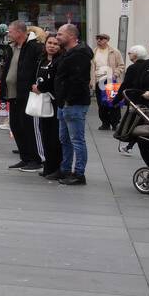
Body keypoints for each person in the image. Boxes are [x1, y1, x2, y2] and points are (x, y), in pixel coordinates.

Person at [2, 20, 45, 169]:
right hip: (13, 94)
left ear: (20, 32)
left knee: (29, 127)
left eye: (11, 31)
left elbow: (39, 67)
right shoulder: (12, 47)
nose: (9, 34)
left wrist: (37, 85)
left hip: (27, 94)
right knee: (16, 126)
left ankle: (37, 159)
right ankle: (25, 157)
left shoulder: (34, 47)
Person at [53, 23, 93, 185]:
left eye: (60, 34)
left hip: (74, 103)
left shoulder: (79, 55)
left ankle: (79, 173)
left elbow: (79, 80)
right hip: (65, 103)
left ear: (71, 36)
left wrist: (69, 99)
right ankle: (65, 169)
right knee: (65, 139)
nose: (57, 37)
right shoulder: (68, 53)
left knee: (77, 139)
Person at [31, 33, 65, 178]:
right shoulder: (42, 60)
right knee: (44, 134)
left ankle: (56, 167)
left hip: (54, 102)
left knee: (54, 136)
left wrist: (42, 87)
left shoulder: (60, 61)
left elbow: (55, 82)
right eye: (50, 43)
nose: (52, 46)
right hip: (41, 101)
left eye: (56, 44)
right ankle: (48, 166)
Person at [92, 32, 126, 131]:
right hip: (99, 80)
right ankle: (105, 123)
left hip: (111, 80)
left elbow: (121, 65)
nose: (99, 40)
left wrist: (115, 73)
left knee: (113, 103)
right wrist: (91, 80)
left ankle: (115, 123)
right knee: (101, 104)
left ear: (107, 40)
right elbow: (91, 67)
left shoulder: (114, 52)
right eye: (97, 38)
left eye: (101, 38)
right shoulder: (94, 52)